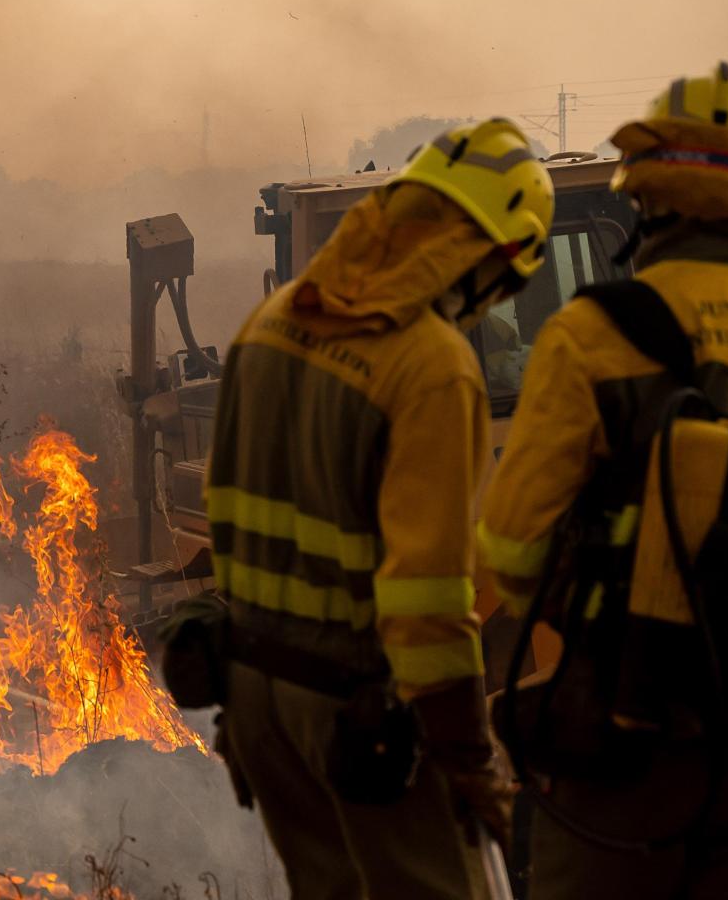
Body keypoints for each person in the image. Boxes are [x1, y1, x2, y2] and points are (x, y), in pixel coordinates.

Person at [475, 63, 728, 899]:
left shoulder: (593, 337)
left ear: (645, 194)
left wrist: (593, 608)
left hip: (627, 746)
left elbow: (510, 549)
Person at [206, 118, 553, 900]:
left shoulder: (270, 325)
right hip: (366, 717)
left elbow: (225, 521)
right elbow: (429, 600)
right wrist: (469, 756)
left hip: (258, 700)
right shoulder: (431, 365)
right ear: (493, 256)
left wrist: (244, 701)